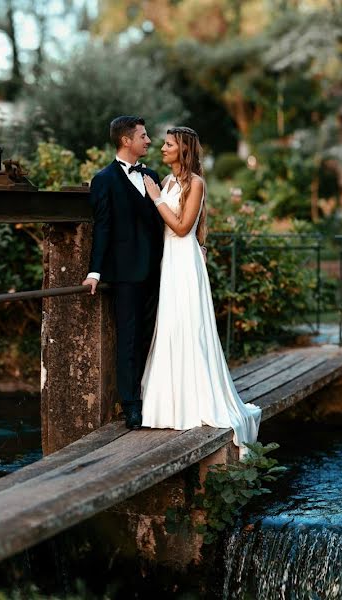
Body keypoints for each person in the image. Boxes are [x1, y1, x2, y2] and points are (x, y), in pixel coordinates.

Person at [140, 126, 261, 457]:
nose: (162, 149)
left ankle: (196, 401)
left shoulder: (196, 183)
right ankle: (169, 406)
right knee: (170, 327)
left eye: (168, 145)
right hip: (169, 264)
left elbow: (181, 228)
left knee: (190, 327)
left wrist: (155, 198)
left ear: (183, 150)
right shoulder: (166, 183)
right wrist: (158, 194)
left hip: (185, 262)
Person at [82, 116, 163, 430]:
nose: (149, 141)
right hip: (126, 274)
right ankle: (131, 405)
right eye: (143, 136)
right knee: (128, 340)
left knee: (151, 337)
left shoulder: (152, 176)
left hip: (156, 271)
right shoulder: (104, 179)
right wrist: (95, 272)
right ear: (126, 140)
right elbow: (101, 228)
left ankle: (154, 396)